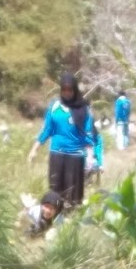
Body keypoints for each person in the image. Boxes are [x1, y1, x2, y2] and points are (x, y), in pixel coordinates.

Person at [28, 72, 97, 209]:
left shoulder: (83, 108)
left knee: (73, 194)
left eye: (70, 89)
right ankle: (54, 220)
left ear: (74, 89)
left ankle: (70, 221)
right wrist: (34, 149)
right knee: (55, 190)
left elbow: (88, 134)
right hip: (57, 153)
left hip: (76, 156)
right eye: (64, 89)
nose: (67, 93)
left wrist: (90, 156)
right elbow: (47, 130)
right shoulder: (54, 107)